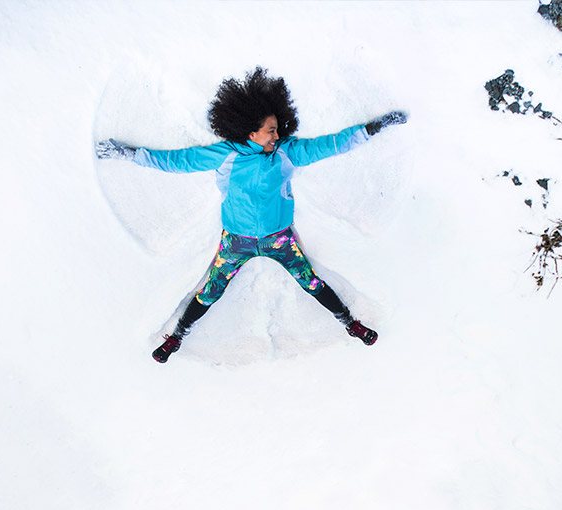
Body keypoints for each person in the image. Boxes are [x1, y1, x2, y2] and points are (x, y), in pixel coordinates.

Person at [95, 67, 407, 363]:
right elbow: (175, 161)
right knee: (210, 291)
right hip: (236, 242)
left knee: (310, 282)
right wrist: (127, 153)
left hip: (279, 240)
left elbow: (331, 145)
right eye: (270, 131)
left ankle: (350, 323)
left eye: (277, 129)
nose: (276, 135)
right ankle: (176, 336)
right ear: (251, 131)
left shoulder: (285, 153)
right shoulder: (226, 155)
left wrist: (370, 129)